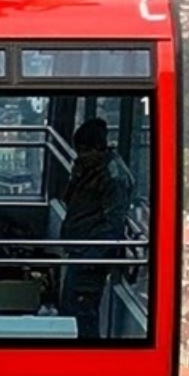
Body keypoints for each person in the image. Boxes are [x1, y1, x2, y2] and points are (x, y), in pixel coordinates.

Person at [58, 117, 135, 339]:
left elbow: (114, 224)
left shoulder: (113, 177)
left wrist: (92, 258)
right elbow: (69, 198)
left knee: (83, 313)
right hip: (80, 249)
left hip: (91, 255)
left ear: (96, 149)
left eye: (83, 151)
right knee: (71, 308)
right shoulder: (89, 169)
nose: (79, 155)